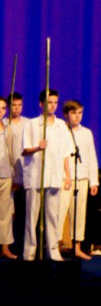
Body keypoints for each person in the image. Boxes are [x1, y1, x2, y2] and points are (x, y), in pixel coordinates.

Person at [21, 89, 73, 262]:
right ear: (41, 104)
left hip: (54, 176)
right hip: (35, 176)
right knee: (32, 216)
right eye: (49, 102)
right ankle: (29, 251)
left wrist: (68, 175)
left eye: (55, 102)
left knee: (53, 216)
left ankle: (53, 250)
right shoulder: (32, 124)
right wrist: (38, 147)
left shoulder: (61, 126)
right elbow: (25, 150)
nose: (53, 106)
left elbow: (66, 152)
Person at [61, 100, 98, 260]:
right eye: (74, 113)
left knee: (79, 214)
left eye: (80, 113)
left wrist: (93, 181)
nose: (77, 116)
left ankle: (76, 247)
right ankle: (57, 246)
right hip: (64, 179)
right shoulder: (61, 131)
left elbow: (91, 157)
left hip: (82, 177)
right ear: (66, 115)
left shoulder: (86, 133)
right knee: (60, 213)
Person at [0, 97, 18, 259]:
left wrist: (15, 175)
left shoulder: (8, 128)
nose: (0, 110)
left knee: (5, 213)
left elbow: (12, 152)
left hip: (6, 174)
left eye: (3, 108)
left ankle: (5, 247)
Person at [7, 92, 28, 253]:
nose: (17, 108)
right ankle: (6, 245)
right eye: (14, 105)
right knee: (7, 213)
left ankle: (21, 243)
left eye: (19, 105)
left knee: (22, 211)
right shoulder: (5, 124)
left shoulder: (28, 124)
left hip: (25, 174)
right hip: (8, 173)